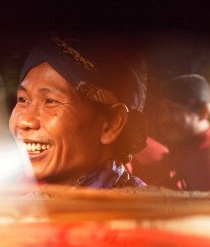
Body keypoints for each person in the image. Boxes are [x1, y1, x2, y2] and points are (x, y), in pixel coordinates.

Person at [9, 35, 147, 188]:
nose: (24, 121)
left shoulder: (143, 210)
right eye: (22, 100)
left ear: (112, 124)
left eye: (50, 101)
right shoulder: (23, 204)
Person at [133, 74, 210, 191]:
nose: (164, 119)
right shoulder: (168, 155)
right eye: (162, 111)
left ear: (203, 112)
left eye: (174, 109)